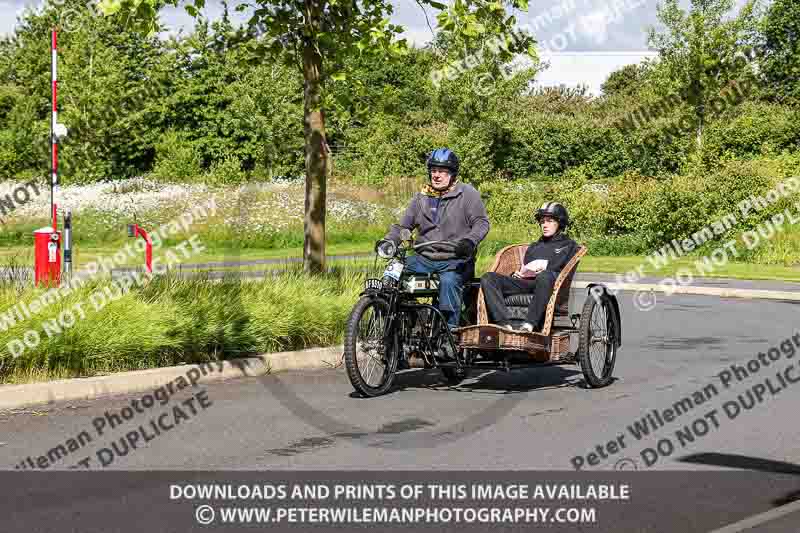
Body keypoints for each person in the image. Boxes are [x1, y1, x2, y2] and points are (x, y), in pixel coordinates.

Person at [377, 148, 490, 330]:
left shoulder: (467, 193)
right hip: (424, 259)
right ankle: (397, 324)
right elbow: (403, 226)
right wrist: (389, 241)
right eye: (434, 171)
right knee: (394, 272)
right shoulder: (421, 197)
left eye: (443, 171)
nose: (437, 176)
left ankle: (449, 332)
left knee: (449, 281)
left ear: (452, 174)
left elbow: (481, 222)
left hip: (455, 259)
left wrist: (469, 241)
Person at [480, 202, 579, 333]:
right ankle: (503, 324)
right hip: (527, 282)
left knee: (545, 276)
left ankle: (529, 324)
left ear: (560, 223)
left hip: (550, 285)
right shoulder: (534, 246)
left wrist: (545, 269)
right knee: (488, 278)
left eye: (549, 221)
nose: (544, 225)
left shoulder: (569, 245)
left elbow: (565, 270)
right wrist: (517, 274)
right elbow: (525, 267)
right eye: (542, 222)